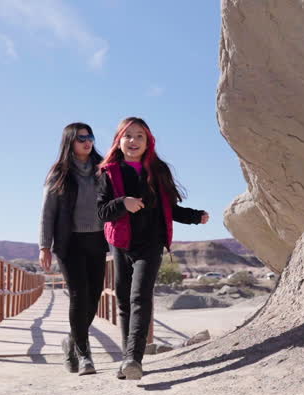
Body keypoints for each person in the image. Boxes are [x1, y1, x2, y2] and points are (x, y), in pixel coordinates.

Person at [97, 117, 208, 380]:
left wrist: (195, 216)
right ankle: (128, 359)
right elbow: (101, 212)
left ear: (148, 142)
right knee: (124, 301)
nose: (133, 141)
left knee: (140, 298)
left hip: (151, 244)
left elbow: (171, 209)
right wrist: (123, 202)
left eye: (139, 136)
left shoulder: (158, 171)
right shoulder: (109, 172)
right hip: (121, 244)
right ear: (119, 140)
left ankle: (134, 359)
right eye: (128, 136)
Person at [39, 122, 108, 376]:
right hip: (69, 243)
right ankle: (84, 354)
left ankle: (70, 340)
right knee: (79, 296)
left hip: (97, 240)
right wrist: (44, 246)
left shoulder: (104, 168)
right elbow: (48, 212)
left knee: (94, 296)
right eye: (81, 138)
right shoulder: (59, 173)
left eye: (90, 136)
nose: (87, 141)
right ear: (70, 141)